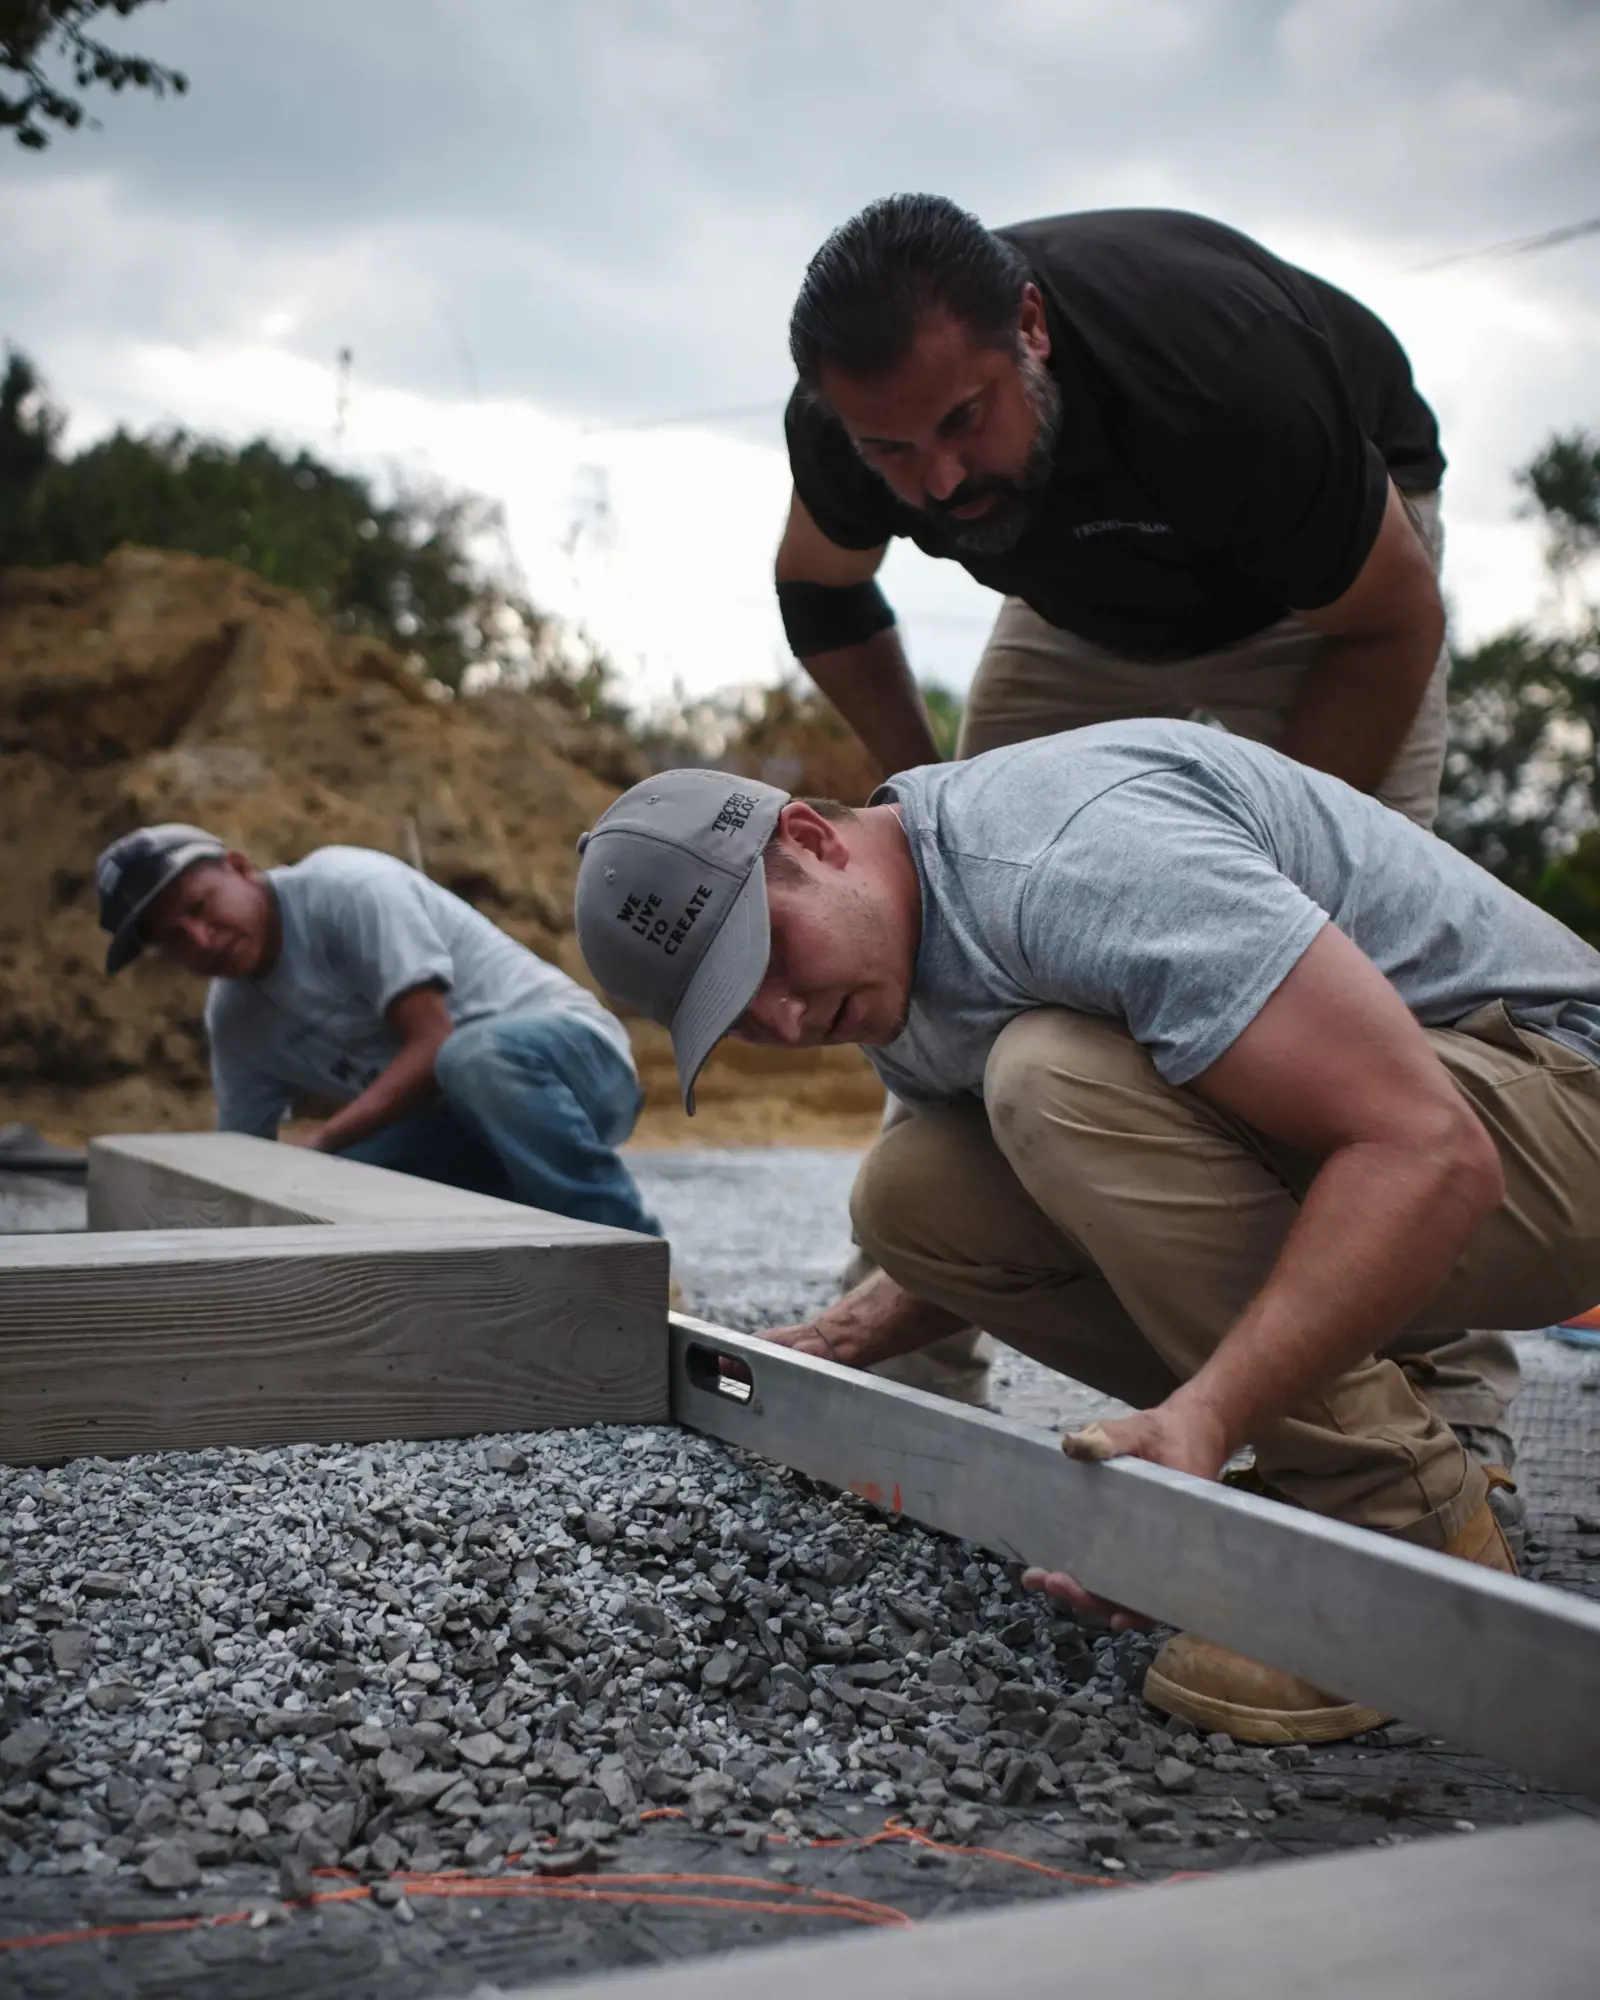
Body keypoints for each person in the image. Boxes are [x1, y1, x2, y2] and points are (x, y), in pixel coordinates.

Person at [571, 735, 1600, 1742]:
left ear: (811, 836)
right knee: (909, 1195)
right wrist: (845, 1337)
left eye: (769, 957)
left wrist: (1204, 1415)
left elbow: (1428, 1149)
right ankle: (1332, 1463)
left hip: (1556, 1111)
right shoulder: (889, 965)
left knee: (1048, 1074)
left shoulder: (1068, 856)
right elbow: (1054, 1190)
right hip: (1424, 1153)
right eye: (737, 1014)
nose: (787, 1023)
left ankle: (1401, 1523)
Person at [775, 192, 1486, 1414]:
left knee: (1358, 1001)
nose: (936, 478)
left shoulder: (1217, 376)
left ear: (1032, 329)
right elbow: (821, 592)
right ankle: (913, 1360)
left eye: (963, 420)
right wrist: (907, 812)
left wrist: (1269, 907)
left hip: (1317, 601)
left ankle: (1447, 1395)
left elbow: (1391, 619)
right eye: (894, 452)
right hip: (1076, 610)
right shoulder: (853, 426)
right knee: (919, 938)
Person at [95, 824, 658, 1235]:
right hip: (467, 1130)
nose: (200, 938)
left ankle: (634, 1256)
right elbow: (246, 1155)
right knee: (328, 1191)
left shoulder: (347, 889)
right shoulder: (236, 1018)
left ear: (240, 868)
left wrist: (322, 1140)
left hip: (581, 1071)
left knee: (468, 1058)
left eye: (201, 904)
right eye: (173, 938)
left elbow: (433, 1040)